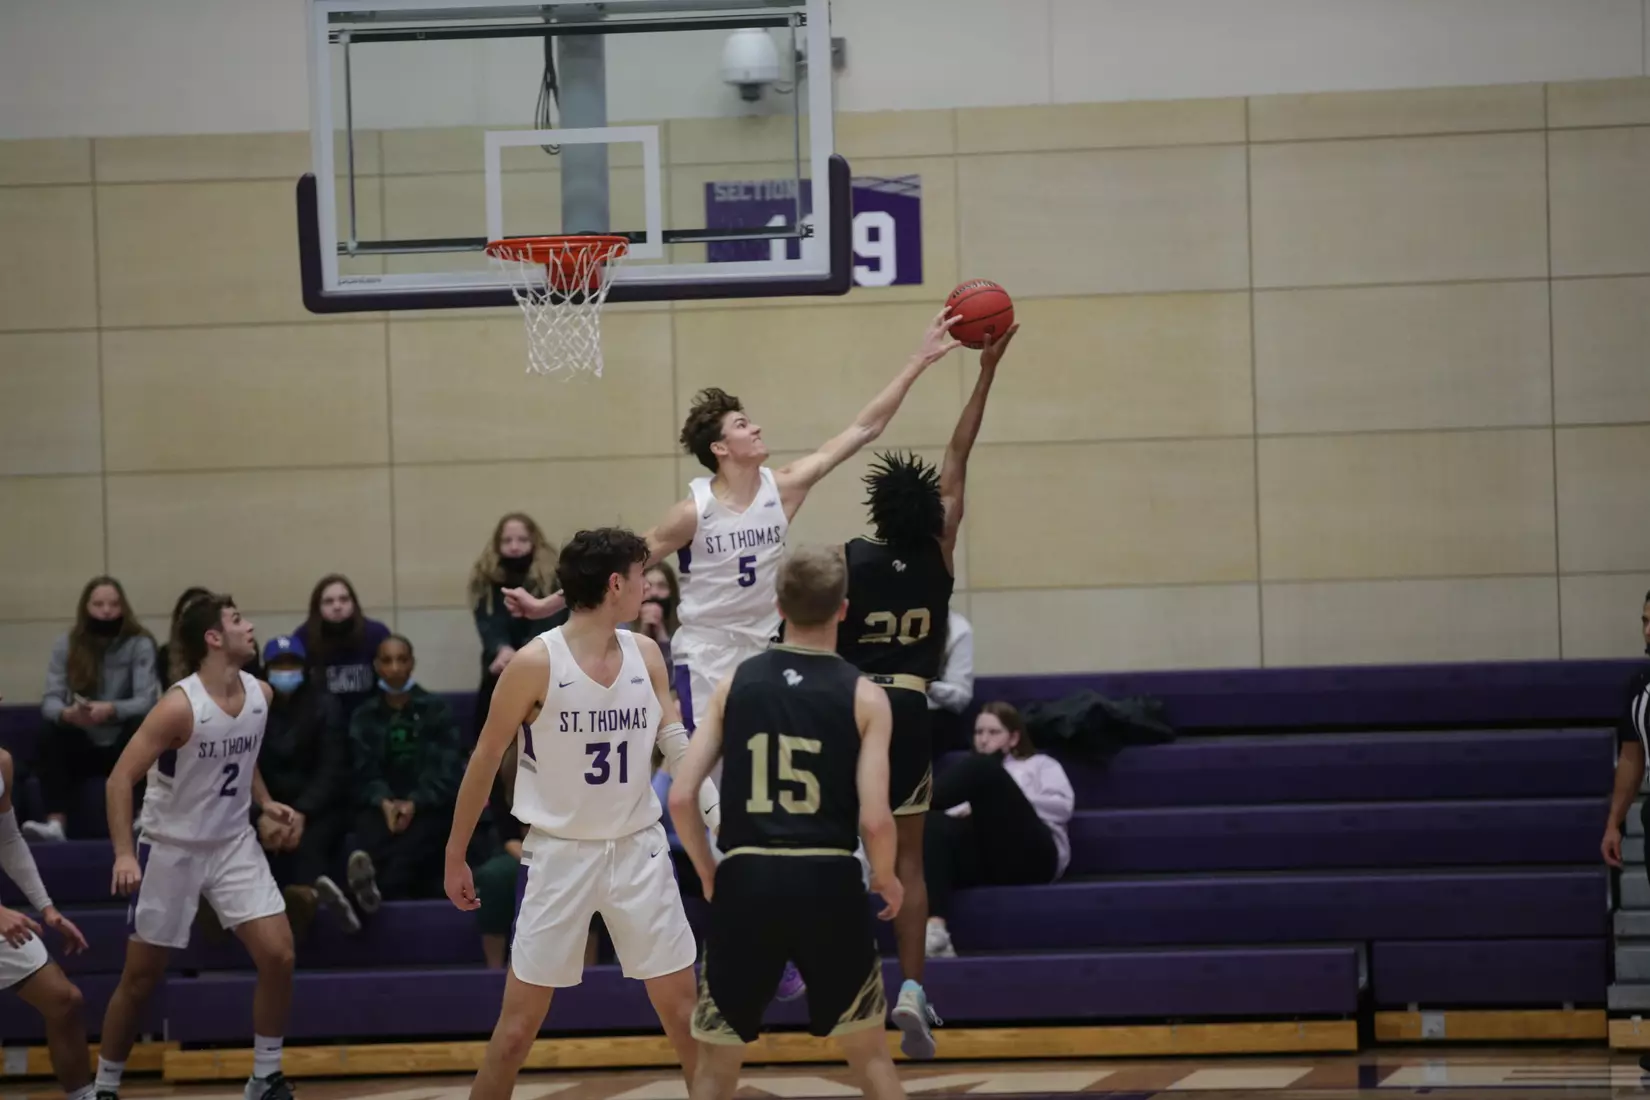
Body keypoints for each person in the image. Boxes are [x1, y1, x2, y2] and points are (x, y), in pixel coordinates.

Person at [507, 310, 962, 1002]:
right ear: (722, 450)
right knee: (713, 802)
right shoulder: (693, 512)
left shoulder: (785, 489)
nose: (756, 429)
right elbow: (617, 562)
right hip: (704, 661)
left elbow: (863, 429)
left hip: (769, 660)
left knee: (781, 801)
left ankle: (795, 933)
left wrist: (920, 359)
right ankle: (758, 942)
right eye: (742, 425)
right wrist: (547, 605)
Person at [444, 528, 723, 1100]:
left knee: (684, 1015)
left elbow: (675, 739)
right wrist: (455, 855)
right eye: (642, 575)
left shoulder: (646, 654)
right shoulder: (534, 663)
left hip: (638, 850)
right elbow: (483, 760)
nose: (650, 586)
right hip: (559, 856)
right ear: (616, 583)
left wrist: (722, 820)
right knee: (517, 1030)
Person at [666, 546, 905, 1100]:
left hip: (748, 878)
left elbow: (681, 798)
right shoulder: (866, 695)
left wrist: (709, 872)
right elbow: (875, 817)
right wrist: (887, 876)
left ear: (778, 605)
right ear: (844, 610)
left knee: (717, 1069)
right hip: (828, 877)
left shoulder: (734, 685)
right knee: (870, 1060)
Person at [834, 324, 1014, 1056]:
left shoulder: (849, 559)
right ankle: (911, 988)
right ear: (931, 514)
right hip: (909, 706)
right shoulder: (939, 553)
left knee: (837, 850)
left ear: (878, 512)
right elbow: (958, 456)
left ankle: (837, 977)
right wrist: (986, 373)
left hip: (849, 704)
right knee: (908, 858)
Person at [96, 593, 298, 1100]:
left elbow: (243, 754)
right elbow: (119, 779)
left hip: (232, 843)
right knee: (141, 979)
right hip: (170, 846)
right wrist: (124, 852)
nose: (249, 626)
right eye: (237, 620)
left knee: (279, 954)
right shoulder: (177, 708)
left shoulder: (261, 695)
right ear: (213, 638)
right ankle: (104, 1087)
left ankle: (265, 1076)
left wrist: (265, 802)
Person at [922, 702, 1074, 961]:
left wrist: (1011, 800)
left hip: (1033, 856)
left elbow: (1062, 807)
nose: (983, 740)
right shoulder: (965, 775)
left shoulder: (1040, 764)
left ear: (1013, 737)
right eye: (979, 732)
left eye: (993, 733)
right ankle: (935, 930)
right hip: (988, 858)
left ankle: (904, 808)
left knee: (984, 769)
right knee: (932, 823)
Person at [30, 576, 159, 841]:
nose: (106, 610)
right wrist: (68, 714)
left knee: (145, 726)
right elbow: (51, 700)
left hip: (123, 742)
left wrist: (110, 709)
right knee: (50, 732)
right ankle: (55, 825)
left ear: (123, 607)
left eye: (113, 604)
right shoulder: (66, 644)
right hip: (84, 741)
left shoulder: (140, 643)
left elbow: (146, 700)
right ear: (85, 608)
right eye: (99, 604)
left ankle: (142, 819)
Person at [0, 744, 94, 1100]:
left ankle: (83, 1095)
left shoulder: (2, 762)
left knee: (64, 1000)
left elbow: (7, 839)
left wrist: (46, 907)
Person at [346, 634, 466, 907]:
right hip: (380, 808)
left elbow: (447, 772)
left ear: (412, 663)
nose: (395, 668)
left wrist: (415, 803)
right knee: (371, 829)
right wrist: (385, 803)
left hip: (427, 807)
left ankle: (365, 894)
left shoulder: (436, 710)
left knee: (417, 839)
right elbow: (362, 772)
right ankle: (373, 891)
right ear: (376, 666)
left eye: (402, 660)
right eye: (387, 661)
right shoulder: (364, 716)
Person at [255, 634, 358, 937]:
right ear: (266, 669)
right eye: (278, 665)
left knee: (315, 838)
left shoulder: (325, 704)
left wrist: (301, 812)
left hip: (318, 806)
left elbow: (333, 767)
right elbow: (248, 766)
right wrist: (265, 811)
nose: (285, 671)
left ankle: (304, 901)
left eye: (292, 664)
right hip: (268, 803)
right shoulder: (254, 707)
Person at [469, 513, 564, 740]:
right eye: (507, 540)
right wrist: (500, 648)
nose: (514, 547)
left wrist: (522, 657)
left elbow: (552, 621)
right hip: (499, 666)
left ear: (534, 542)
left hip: (544, 668)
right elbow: (487, 622)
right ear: (497, 544)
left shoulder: (552, 577)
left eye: (522, 540)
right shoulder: (485, 577)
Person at [293, 574, 391, 719]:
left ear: (354, 603)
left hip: (369, 721)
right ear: (317, 607)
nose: (337, 606)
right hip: (321, 724)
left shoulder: (376, 633)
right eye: (328, 601)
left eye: (344, 599)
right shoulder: (303, 637)